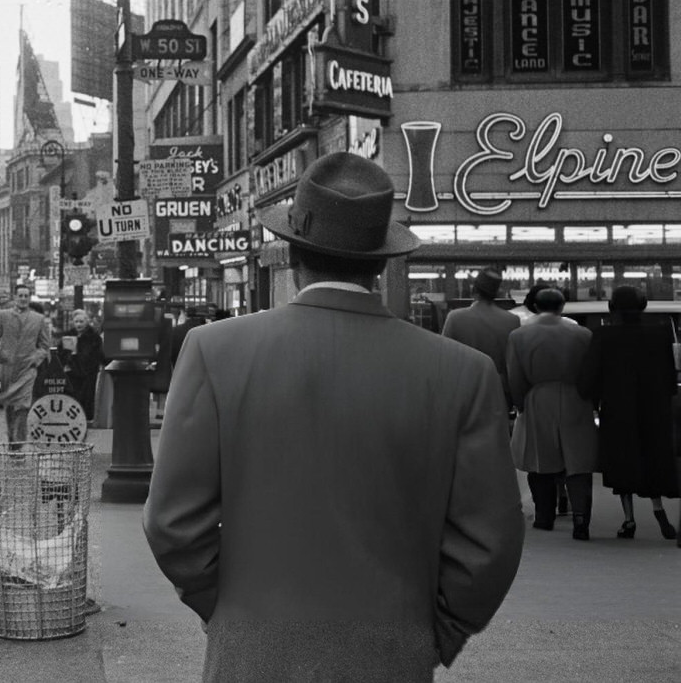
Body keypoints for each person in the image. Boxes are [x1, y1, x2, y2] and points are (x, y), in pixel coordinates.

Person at [144, 152, 523, 681]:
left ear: (293, 252)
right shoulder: (464, 373)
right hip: (393, 652)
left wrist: (224, 606)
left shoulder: (214, 351)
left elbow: (173, 523)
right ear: (380, 261)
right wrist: (438, 630)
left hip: (251, 652)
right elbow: (491, 542)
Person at [578, 286, 678, 540]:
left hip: (617, 407)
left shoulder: (603, 335)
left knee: (622, 460)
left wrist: (590, 398)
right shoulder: (660, 333)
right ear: (643, 305)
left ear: (612, 307)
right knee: (652, 455)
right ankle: (657, 508)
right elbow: (669, 375)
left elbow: (591, 375)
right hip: (654, 408)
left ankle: (629, 520)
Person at [507, 287, 597, 539]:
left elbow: (515, 376)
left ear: (535, 306)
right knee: (578, 462)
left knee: (540, 460)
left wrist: (521, 403)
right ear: (562, 306)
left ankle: (544, 516)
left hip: (537, 397)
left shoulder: (519, 336)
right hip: (575, 397)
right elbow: (591, 371)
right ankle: (581, 519)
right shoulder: (582, 334)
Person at [441, 268, 520, 415]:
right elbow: (513, 363)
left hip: (465, 388)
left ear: (474, 289)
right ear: (496, 293)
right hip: (499, 390)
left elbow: (445, 358)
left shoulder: (455, 317)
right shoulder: (512, 320)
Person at [0, 284, 51, 445]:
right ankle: (11, 438)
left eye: (26, 296)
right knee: (9, 407)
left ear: (30, 298)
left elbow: (44, 345)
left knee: (23, 406)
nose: (23, 299)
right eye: (20, 295)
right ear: (15, 297)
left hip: (28, 370)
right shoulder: (3, 316)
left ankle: (19, 443)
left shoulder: (38, 319)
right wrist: (0, 355)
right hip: (8, 369)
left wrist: (36, 358)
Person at [58, 309, 103, 422]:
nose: (78, 324)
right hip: (71, 372)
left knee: (86, 398)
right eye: (76, 321)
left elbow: (96, 356)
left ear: (87, 322)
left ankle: (85, 418)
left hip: (87, 374)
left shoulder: (94, 337)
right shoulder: (68, 335)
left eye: (81, 321)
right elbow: (60, 353)